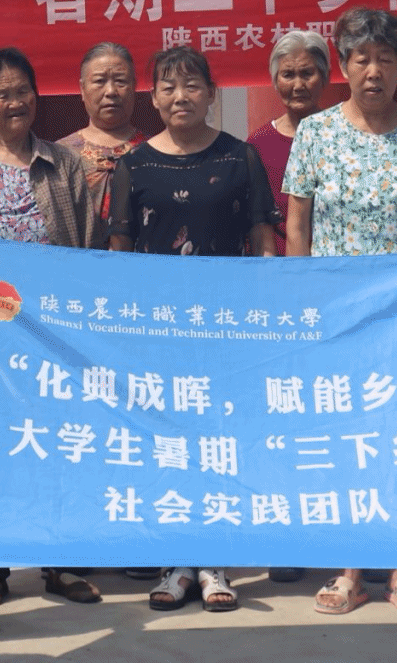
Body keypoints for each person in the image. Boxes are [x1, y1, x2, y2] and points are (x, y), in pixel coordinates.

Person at [108, 45, 276, 613]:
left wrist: (265, 316)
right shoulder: (134, 165)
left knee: (218, 439)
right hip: (156, 332)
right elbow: (120, 249)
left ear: (211, 93)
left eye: (191, 85)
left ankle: (213, 562)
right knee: (167, 442)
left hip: (226, 328)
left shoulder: (240, 157)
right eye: (168, 87)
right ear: (153, 98)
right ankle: (176, 561)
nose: (180, 97)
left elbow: (262, 239)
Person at [281, 7, 397, 618]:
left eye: (385, 59)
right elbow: (298, 225)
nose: (374, 72)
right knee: (345, 436)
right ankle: (349, 569)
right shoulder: (316, 132)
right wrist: (301, 309)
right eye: (361, 59)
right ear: (342, 66)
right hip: (335, 315)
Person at [0, 47, 105, 609]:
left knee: (58, 445)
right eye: (3, 94)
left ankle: (61, 563)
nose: (16, 102)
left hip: (54, 334)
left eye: (23, 90)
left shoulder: (64, 164)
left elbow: (89, 246)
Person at [250, 29, 330, 258]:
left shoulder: (340, 137)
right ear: (275, 81)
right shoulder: (258, 144)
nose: (298, 85)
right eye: (288, 75)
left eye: (307, 74)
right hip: (280, 267)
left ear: (325, 77)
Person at [57, 42, 143, 222]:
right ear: (82, 89)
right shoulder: (60, 154)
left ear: (134, 86)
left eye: (120, 81)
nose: (111, 91)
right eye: (99, 81)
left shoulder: (155, 151)